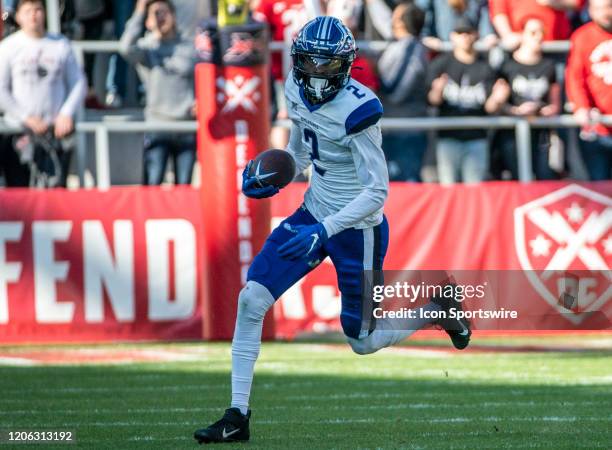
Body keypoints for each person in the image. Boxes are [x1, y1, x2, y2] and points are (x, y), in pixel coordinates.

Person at [193, 16, 471, 444]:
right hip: (314, 211)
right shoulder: (293, 87)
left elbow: (377, 192)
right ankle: (237, 415)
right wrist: (280, 172)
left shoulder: (360, 109)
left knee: (362, 341)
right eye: (310, 63)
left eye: (326, 65)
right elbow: (302, 152)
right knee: (251, 299)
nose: (316, 73)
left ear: (344, 66)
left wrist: (326, 230)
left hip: (357, 228)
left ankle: (436, 311)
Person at [0, 0, 86, 187]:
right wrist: (26, 117)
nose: (34, 15)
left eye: (38, 9)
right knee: (20, 193)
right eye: (28, 10)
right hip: (18, 131)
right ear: (18, 16)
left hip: (54, 132)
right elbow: (1, 89)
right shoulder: (8, 47)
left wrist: (66, 112)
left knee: (55, 192)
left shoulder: (61, 44)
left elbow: (78, 82)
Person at [120, 0, 197, 185]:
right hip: (157, 125)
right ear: (148, 21)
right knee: (152, 186)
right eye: (155, 13)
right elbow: (124, 48)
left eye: (164, 12)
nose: (161, 17)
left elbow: (205, 77)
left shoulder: (190, 47)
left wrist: (201, 100)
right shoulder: (147, 48)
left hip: (185, 126)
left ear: (174, 17)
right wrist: (139, 11)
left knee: (184, 189)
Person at [427, 17, 509, 184]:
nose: (464, 36)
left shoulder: (485, 68)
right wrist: (437, 90)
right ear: (452, 36)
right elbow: (432, 101)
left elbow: (489, 107)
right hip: (448, 137)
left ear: (476, 35)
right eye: (460, 33)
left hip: (477, 138)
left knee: (474, 192)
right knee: (448, 190)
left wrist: (498, 99)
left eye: (468, 32)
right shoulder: (441, 64)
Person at [495, 17, 561, 180]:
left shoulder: (549, 65)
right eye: (533, 32)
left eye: (542, 32)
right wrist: (515, 111)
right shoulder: (507, 65)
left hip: (541, 132)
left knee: (544, 178)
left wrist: (546, 110)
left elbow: (555, 103)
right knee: (518, 179)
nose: (538, 36)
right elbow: (497, 103)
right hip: (512, 134)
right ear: (522, 35)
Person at [375, 1, 429, 181]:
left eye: (395, 16)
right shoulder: (399, 45)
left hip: (406, 129)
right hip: (392, 127)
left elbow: (396, 91)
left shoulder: (411, 48)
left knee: (406, 184)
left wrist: (373, 81)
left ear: (401, 22)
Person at [566, 0, 612, 180]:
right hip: (597, 127)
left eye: (608, 6)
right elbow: (575, 76)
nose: (605, 13)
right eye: (599, 8)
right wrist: (581, 107)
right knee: (598, 187)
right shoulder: (582, 36)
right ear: (590, 11)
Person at [489, 0, 585, 50]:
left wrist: (555, 3)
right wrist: (507, 35)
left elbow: (578, 3)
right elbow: (498, 12)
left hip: (554, 46)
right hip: (521, 49)